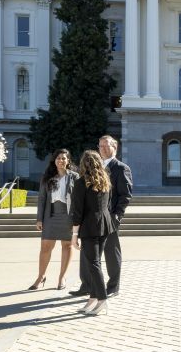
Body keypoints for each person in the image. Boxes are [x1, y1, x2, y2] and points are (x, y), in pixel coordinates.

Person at [69, 135, 132, 297]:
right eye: (100, 146)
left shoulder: (121, 168)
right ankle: (87, 285)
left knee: (111, 253)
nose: (102, 149)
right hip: (90, 220)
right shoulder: (96, 168)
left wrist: (117, 216)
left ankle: (112, 287)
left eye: (106, 146)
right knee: (87, 253)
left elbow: (125, 196)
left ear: (115, 147)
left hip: (109, 219)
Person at [70, 150, 115, 316]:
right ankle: (93, 298)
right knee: (96, 263)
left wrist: (74, 235)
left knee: (93, 263)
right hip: (104, 224)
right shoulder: (106, 182)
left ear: (84, 164)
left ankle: (102, 299)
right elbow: (108, 204)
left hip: (90, 226)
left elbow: (78, 211)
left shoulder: (82, 183)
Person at [29, 149, 79, 291]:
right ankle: (41, 276)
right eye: (58, 158)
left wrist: (78, 220)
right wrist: (39, 219)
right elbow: (42, 199)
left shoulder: (74, 176)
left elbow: (79, 199)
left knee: (67, 246)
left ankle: (61, 277)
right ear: (54, 161)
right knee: (45, 247)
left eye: (64, 158)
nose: (61, 160)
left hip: (69, 215)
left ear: (68, 161)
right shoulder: (47, 176)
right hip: (50, 215)